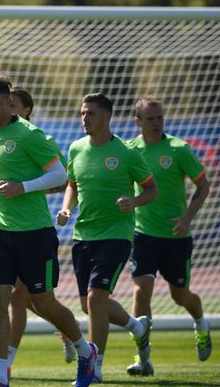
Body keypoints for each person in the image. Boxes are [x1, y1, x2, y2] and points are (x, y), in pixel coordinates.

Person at [0, 75, 96, 387]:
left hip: (35, 233)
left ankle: (85, 349)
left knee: (43, 303)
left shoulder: (31, 135)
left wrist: (23, 187)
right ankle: (1, 374)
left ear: (6, 103)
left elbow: (60, 175)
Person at [57, 92, 157, 383]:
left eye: (90, 113)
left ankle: (95, 364)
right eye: (82, 113)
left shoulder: (126, 152)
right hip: (82, 234)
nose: (84, 118)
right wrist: (66, 208)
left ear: (107, 117)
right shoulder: (76, 148)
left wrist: (134, 202)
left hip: (116, 235)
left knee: (96, 297)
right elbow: (72, 186)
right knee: (90, 305)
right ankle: (137, 328)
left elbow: (151, 190)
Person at [125, 96, 212, 375]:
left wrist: (187, 218)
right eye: (150, 118)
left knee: (180, 295)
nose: (156, 122)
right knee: (141, 291)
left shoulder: (179, 149)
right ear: (138, 122)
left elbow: (203, 187)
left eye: (159, 117)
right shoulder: (130, 150)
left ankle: (200, 322)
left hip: (176, 237)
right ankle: (143, 358)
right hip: (142, 235)